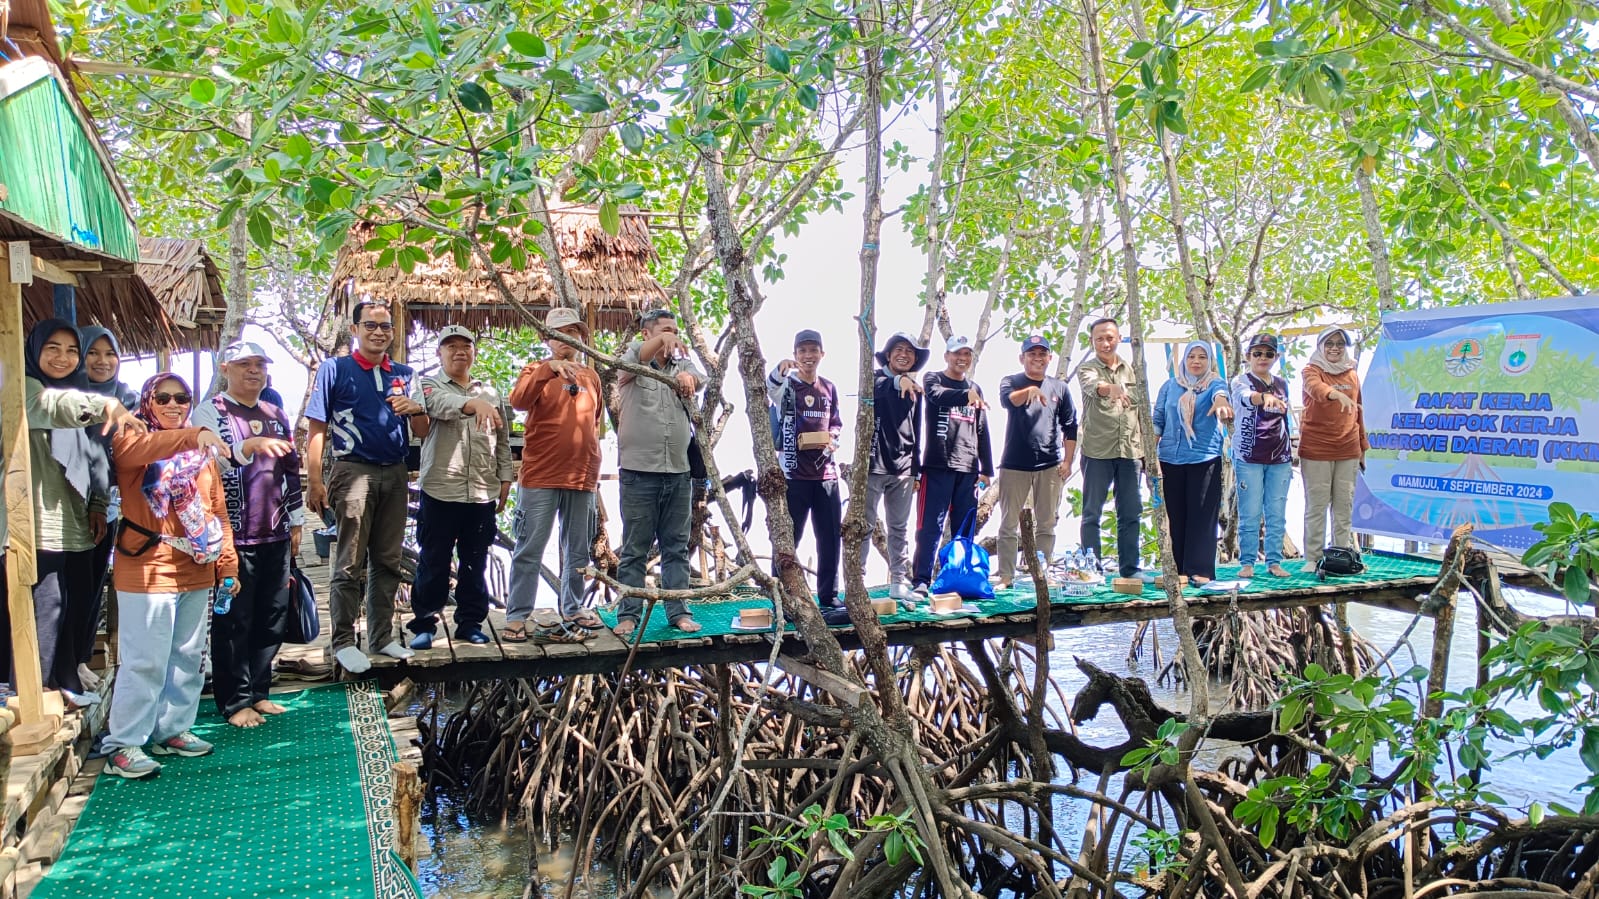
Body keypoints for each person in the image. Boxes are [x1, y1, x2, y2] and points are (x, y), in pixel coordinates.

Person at [104, 374, 238, 779]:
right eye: (163, 397)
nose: (174, 404)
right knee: (144, 658)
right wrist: (196, 433)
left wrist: (227, 565)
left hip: (195, 564)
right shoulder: (132, 440)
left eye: (182, 398)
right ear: (149, 401)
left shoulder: (202, 455)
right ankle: (124, 743)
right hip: (147, 565)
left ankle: (173, 728)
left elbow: (217, 511)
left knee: (189, 655)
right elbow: (147, 448)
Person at [25, 319, 144, 707]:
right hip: (38, 521)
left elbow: (94, 460)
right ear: (34, 349)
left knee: (75, 599)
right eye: (53, 348)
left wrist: (96, 503)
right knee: (48, 605)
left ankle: (65, 676)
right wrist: (103, 405)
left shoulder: (81, 391)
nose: (64, 358)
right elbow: (52, 409)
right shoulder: (31, 390)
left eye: (70, 350)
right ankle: (40, 691)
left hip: (79, 516)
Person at [304, 301, 428, 674]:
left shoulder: (405, 374)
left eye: (385, 327)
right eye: (370, 325)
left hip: (395, 471)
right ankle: (342, 640)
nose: (378, 332)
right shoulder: (335, 369)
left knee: (388, 559)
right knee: (349, 560)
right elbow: (317, 428)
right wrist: (314, 480)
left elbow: (423, 431)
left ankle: (381, 636)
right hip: (352, 469)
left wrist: (415, 409)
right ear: (355, 329)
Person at [189, 341, 303, 728]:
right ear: (226, 368)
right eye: (244, 365)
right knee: (234, 619)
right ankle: (234, 700)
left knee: (271, 616)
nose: (253, 371)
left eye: (259, 364)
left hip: (275, 531)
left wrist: (297, 519)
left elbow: (290, 467)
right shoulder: (211, 411)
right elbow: (207, 457)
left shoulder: (274, 412)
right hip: (232, 534)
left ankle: (259, 691)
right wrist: (246, 447)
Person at [407, 326, 514, 650]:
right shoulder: (426, 385)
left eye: (465, 346)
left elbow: (503, 442)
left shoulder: (492, 394)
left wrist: (505, 480)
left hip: (481, 492)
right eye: (450, 346)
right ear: (440, 353)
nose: (458, 352)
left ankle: (470, 623)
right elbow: (438, 405)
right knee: (434, 561)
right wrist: (473, 405)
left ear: (474, 352)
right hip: (441, 490)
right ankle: (425, 623)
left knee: (476, 562)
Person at [506, 308, 603, 643]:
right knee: (530, 547)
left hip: (582, 477)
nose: (567, 340)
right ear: (547, 339)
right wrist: (547, 370)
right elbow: (518, 401)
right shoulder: (534, 370)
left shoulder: (591, 377)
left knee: (578, 550)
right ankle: (518, 615)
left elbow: (595, 423)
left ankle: (573, 608)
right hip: (540, 476)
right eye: (560, 334)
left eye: (573, 333)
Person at [614, 309, 706, 637]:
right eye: (665, 330)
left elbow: (699, 377)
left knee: (676, 546)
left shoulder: (682, 364)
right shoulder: (632, 362)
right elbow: (631, 360)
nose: (672, 336)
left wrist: (688, 378)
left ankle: (678, 611)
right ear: (647, 334)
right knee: (635, 547)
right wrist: (661, 341)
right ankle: (628, 614)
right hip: (640, 472)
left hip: (678, 471)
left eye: (675, 330)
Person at [78, 325, 138, 693]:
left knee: (94, 585)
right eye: (93, 354)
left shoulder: (126, 398)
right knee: (64, 588)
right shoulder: (64, 399)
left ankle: (81, 658)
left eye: (109, 354)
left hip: (111, 506)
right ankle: (64, 665)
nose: (102, 362)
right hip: (64, 505)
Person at [767, 329, 844, 608]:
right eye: (802, 351)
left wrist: (832, 439)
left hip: (826, 475)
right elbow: (768, 387)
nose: (808, 356)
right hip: (793, 475)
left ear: (822, 354)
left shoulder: (829, 387)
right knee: (788, 539)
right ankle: (783, 598)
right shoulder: (787, 385)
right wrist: (779, 369)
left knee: (830, 537)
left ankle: (829, 595)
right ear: (795, 354)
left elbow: (836, 423)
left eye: (813, 350)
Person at [994, 335, 1078, 589]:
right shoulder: (1011, 381)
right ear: (1023, 358)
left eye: (1042, 354)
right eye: (1032, 354)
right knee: (1008, 523)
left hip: (1050, 464)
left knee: (1047, 522)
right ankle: (1006, 575)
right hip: (1014, 463)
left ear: (1049, 358)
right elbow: (1008, 401)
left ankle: (1040, 573)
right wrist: (1029, 391)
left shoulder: (1060, 388)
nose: (1037, 358)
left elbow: (1071, 427)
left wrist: (1068, 462)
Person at [912, 334, 993, 596]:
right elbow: (936, 396)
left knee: (963, 530)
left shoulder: (975, 388)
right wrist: (965, 395)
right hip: (937, 467)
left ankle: (958, 578)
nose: (962, 358)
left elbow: (982, 429)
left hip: (967, 469)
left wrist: (987, 468)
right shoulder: (933, 379)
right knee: (929, 528)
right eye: (957, 353)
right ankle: (921, 580)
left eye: (967, 354)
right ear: (947, 356)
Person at [1152, 341, 1232, 584]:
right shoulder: (1170, 386)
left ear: (1209, 362)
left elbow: (1221, 396)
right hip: (1169, 458)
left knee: (1202, 514)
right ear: (1184, 360)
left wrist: (1220, 405)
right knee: (1176, 515)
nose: (1196, 362)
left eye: (1202, 357)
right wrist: (1150, 454)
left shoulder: (1214, 383)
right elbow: (1158, 418)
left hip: (1203, 456)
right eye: (1192, 357)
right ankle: (1178, 571)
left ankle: (1201, 570)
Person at [1077, 318, 1144, 578]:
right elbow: (1096, 387)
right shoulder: (1088, 368)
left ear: (1119, 338)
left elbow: (1141, 412)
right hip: (1097, 452)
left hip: (1130, 453)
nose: (1106, 343)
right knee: (1091, 513)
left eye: (1110, 338)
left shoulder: (1132, 368)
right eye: (1099, 339)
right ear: (1093, 342)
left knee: (1130, 513)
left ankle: (1130, 569)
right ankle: (1092, 570)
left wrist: (1148, 455)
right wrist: (1112, 389)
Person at [866, 332, 928, 601]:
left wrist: (916, 469)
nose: (904, 354)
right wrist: (897, 380)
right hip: (873, 465)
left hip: (903, 469)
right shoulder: (875, 380)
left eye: (910, 351)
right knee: (864, 526)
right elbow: (878, 387)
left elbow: (918, 430)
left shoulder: (916, 390)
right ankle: (857, 581)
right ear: (889, 355)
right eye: (898, 350)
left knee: (899, 528)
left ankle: (899, 583)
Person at [1300, 326, 1368, 568]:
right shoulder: (1311, 370)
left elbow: (1359, 411)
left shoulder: (1352, 373)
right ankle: (1313, 557)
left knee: (1343, 505)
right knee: (1317, 505)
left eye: (1340, 344)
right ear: (1320, 346)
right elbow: (1315, 389)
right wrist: (1335, 395)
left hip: (1347, 448)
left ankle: (1340, 555)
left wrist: (1362, 447)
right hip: (1317, 448)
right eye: (1330, 343)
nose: (1335, 348)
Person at [1231, 333, 1293, 579]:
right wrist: (1264, 397)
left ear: (1275, 357)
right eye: (1257, 353)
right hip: (1249, 456)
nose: (1263, 358)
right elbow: (1247, 398)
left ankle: (1274, 561)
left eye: (1268, 354)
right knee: (1251, 512)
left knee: (1276, 512)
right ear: (1248, 356)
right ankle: (1247, 563)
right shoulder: (1240, 381)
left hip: (1280, 457)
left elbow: (1285, 416)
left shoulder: (1282, 383)